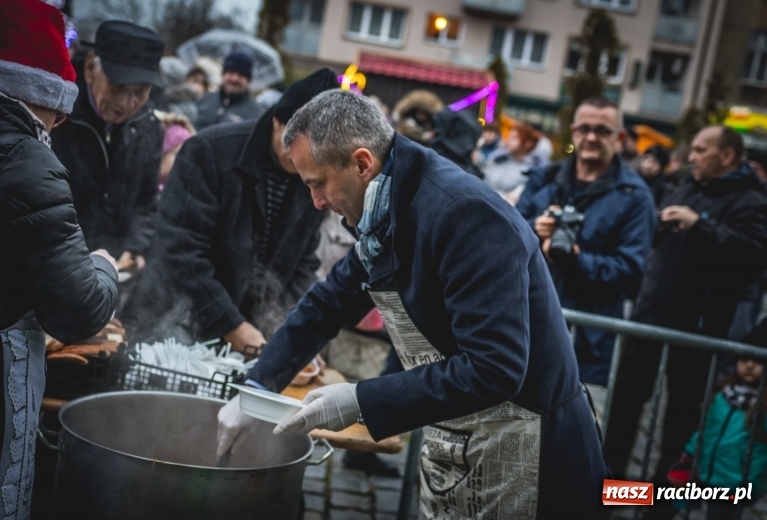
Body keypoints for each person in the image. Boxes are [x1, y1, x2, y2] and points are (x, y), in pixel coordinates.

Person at [216, 90, 609, 518]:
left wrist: (360, 399)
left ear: (363, 163)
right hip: (460, 440)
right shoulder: (384, 209)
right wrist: (256, 390)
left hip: (531, 450)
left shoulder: (464, 213)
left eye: (317, 183)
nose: (317, 202)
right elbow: (328, 304)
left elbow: (495, 368)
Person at [0, 0, 119, 517]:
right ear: (45, 94)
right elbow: (77, 310)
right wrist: (104, 266)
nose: (59, 123)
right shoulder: (28, 160)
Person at [603, 126, 767, 515]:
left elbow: (754, 255)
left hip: (699, 329)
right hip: (649, 317)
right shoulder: (684, 186)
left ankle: (661, 507)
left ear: (727, 155)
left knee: (679, 423)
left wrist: (701, 224)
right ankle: (609, 495)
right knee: (624, 410)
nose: (691, 156)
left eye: (700, 149)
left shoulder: (752, 200)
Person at [121, 68, 340, 352]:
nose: (304, 162)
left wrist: (289, 334)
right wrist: (230, 324)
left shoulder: (314, 178)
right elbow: (180, 249)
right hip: (167, 322)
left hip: (243, 338)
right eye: (299, 146)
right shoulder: (210, 151)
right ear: (277, 120)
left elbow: (301, 266)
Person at [516, 96, 656, 417]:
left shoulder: (635, 197)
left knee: (572, 451)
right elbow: (505, 238)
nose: (591, 138)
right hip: (528, 335)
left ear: (619, 138)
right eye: (585, 129)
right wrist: (534, 229)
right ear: (573, 131)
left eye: (602, 131)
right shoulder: (545, 180)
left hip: (587, 349)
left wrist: (576, 258)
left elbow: (631, 272)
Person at [51, 20, 165, 275]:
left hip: (114, 268)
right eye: (119, 88)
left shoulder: (149, 128)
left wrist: (136, 246)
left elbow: (146, 201)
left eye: (141, 91)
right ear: (90, 68)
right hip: (55, 265)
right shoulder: (57, 119)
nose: (127, 103)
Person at [663, 319, 767, 520]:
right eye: (744, 358)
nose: (749, 365)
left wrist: (754, 483)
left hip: (737, 483)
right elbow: (706, 428)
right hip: (708, 472)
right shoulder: (722, 395)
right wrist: (689, 453)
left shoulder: (763, 407)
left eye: (758, 361)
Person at [193, 50, 264, 131]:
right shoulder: (204, 99)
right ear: (223, 74)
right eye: (231, 72)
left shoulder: (255, 115)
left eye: (241, 75)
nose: (235, 79)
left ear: (248, 81)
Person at [483, 121, 548, 205]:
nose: (508, 141)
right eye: (509, 136)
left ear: (528, 143)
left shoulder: (535, 170)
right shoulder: (498, 159)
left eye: (514, 138)